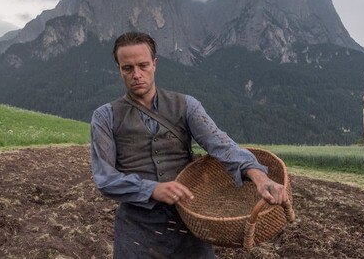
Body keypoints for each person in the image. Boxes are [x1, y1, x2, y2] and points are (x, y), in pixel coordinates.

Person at [90, 31, 288, 258]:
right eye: (128, 68)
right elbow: (105, 179)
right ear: (119, 69)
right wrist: (152, 189)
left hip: (190, 225)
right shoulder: (105, 117)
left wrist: (260, 177)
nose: (137, 74)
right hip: (137, 231)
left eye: (143, 65)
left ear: (154, 64)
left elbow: (222, 145)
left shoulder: (186, 105)